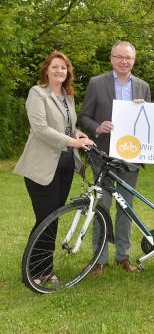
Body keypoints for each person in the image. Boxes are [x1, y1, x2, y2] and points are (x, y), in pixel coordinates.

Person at [14, 51, 93, 284]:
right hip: (42, 166)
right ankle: (35, 272)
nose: (60, 71)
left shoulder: (68, 96)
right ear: (46, 70)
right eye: (55, 67)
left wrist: (76, 133)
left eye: (64, 68)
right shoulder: (37, 93)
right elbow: (40, 128)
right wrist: (73, 142)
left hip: (66, 165)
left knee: (54, 217)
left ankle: (46, 269)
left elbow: (66, 126)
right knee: (44, 218)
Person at [78, 41, 151, 275]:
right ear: (111, 59)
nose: (124, 61)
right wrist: (98, 128)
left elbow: (148, 121)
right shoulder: (96, 83)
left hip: (130, 156)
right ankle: (100, 259)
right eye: (119, 57)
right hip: (103, 156)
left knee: (126, 207)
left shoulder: (143, 86)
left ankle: (124, 256)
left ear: (134, 60)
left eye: (128, 58)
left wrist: (144, 109)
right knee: (102, 206)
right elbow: (84, 117)